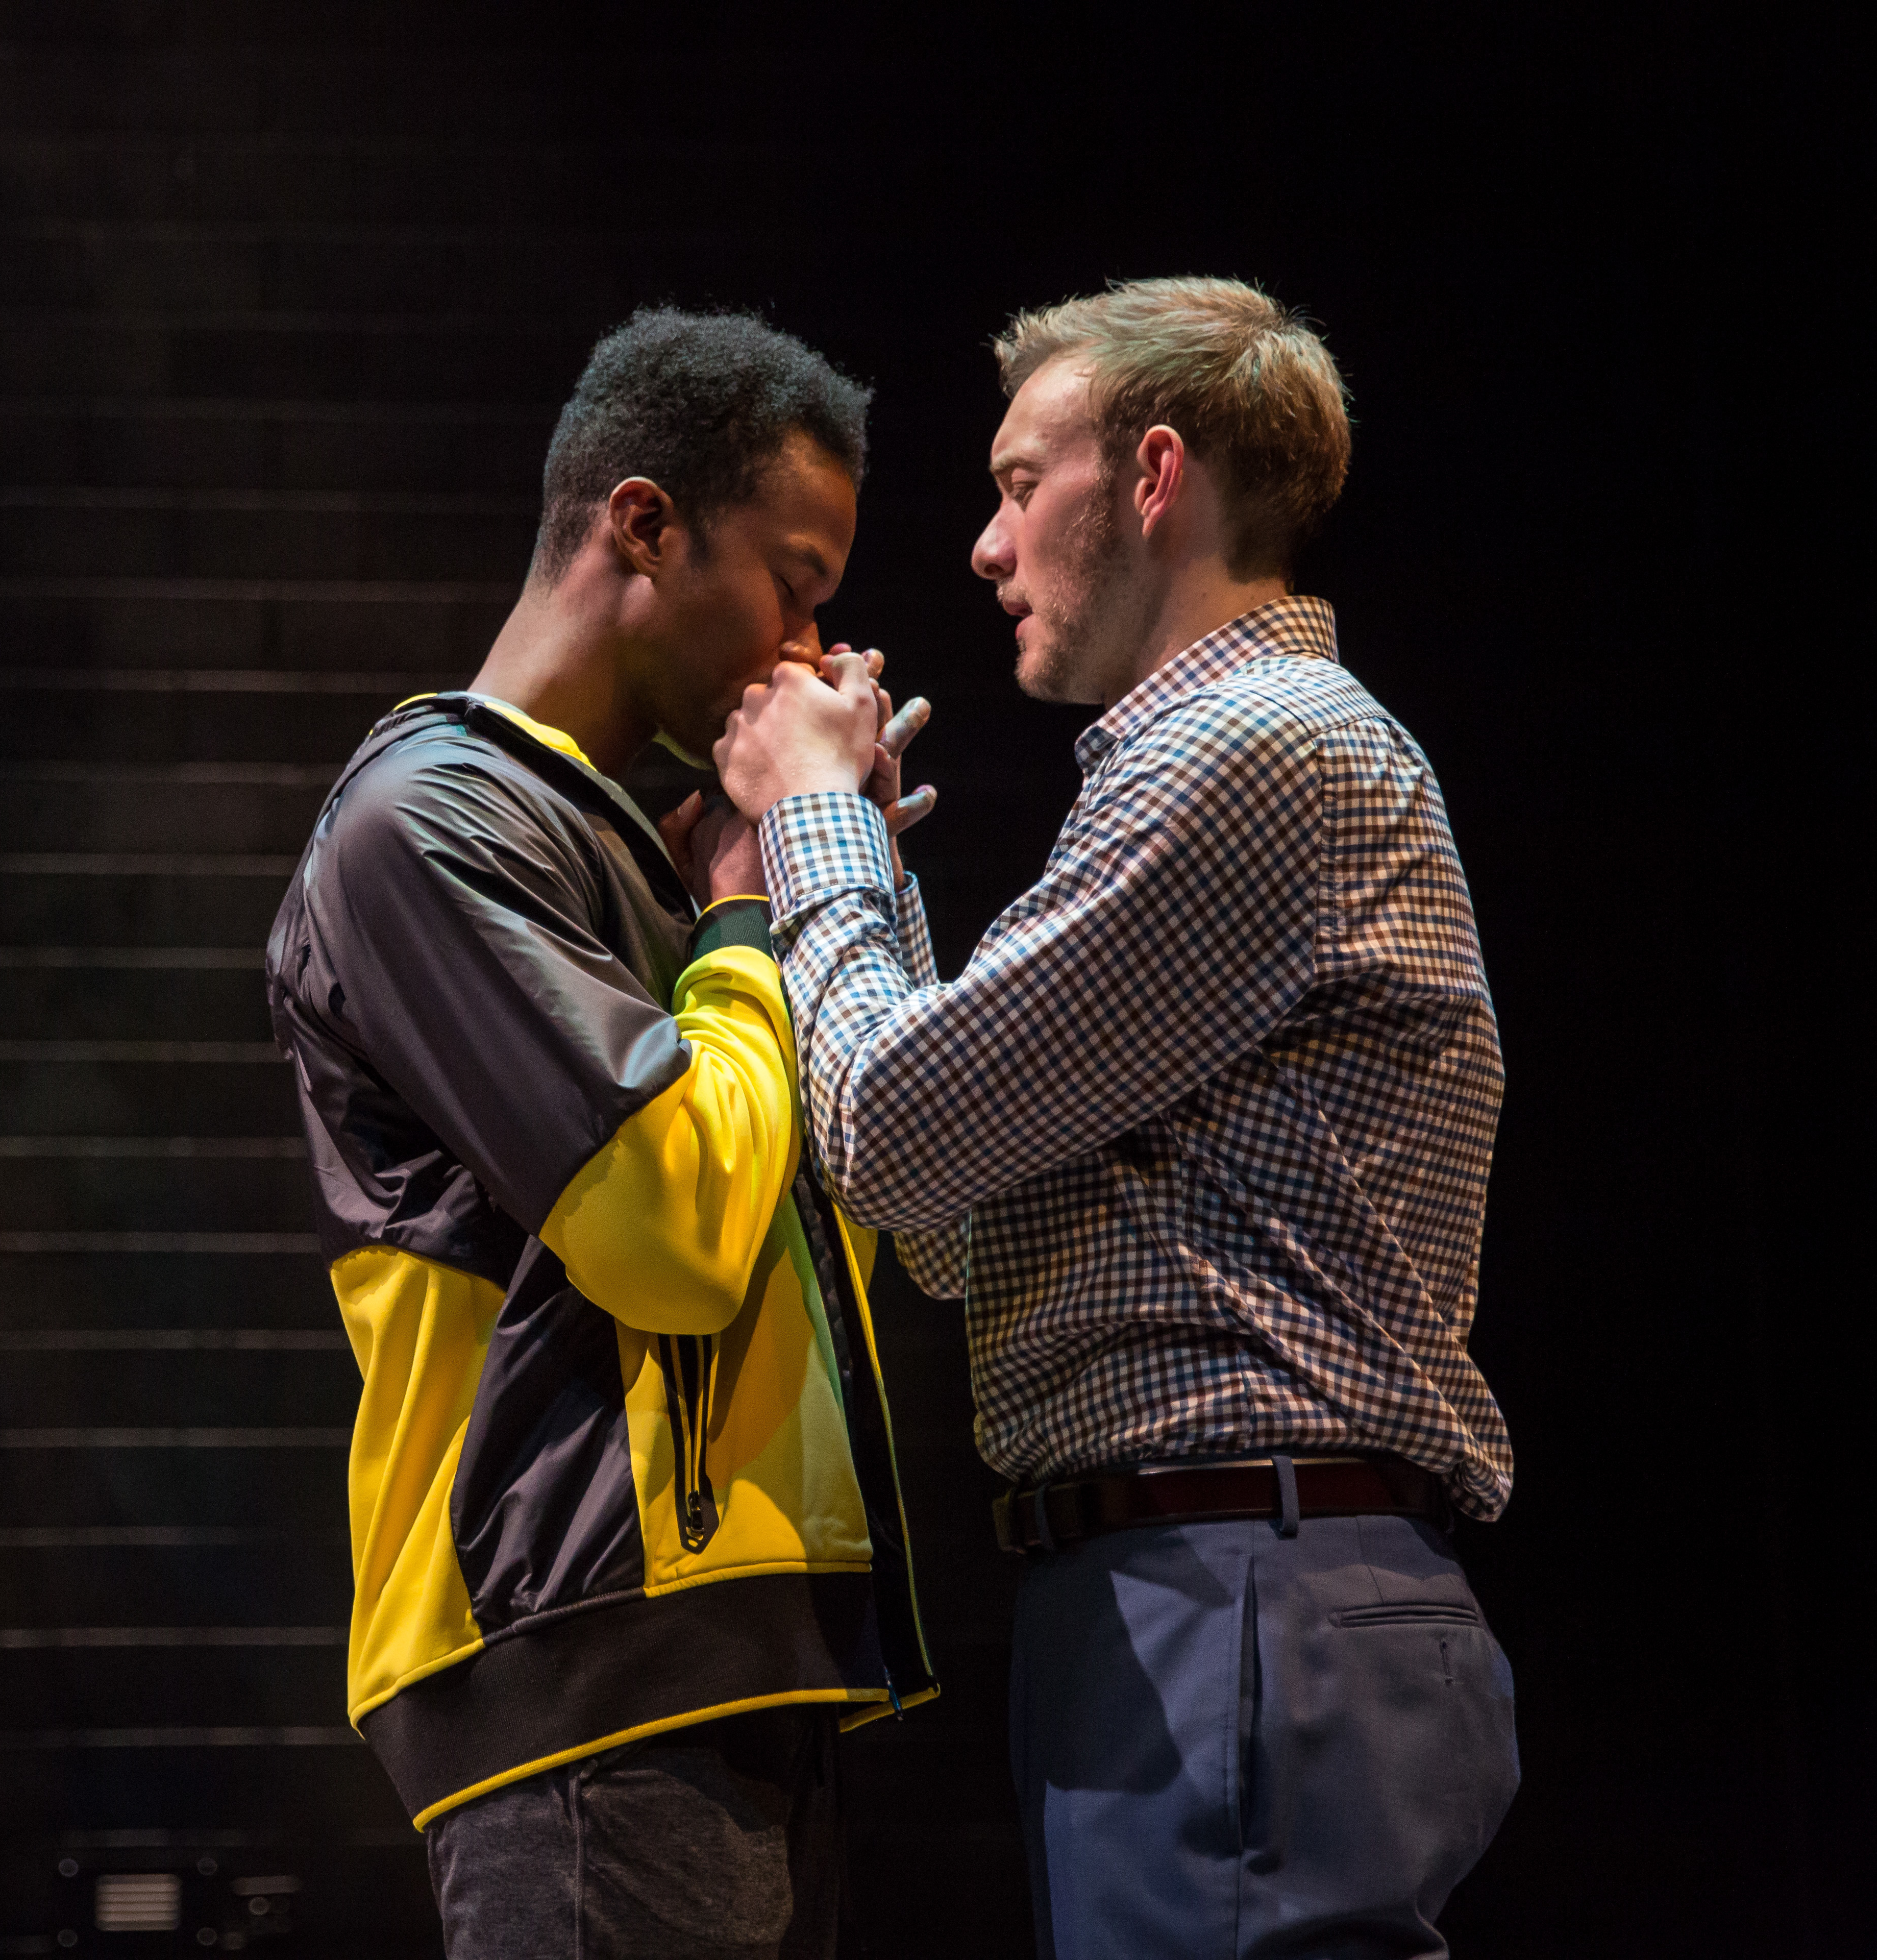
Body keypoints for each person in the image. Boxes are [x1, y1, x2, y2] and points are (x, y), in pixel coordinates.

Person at [708, 277, 1520, 1957]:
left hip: (1242, 1585)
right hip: (1202, 1591)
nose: (989, 550)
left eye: (1020, 485)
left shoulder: (1250, 748)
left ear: (1154, 478)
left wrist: (806, 834)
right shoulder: (1195, 772)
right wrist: (865, 862)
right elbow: (946, 1225)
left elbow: (895, 1140)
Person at [265, 308, 938, 1959]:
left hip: (721, 1662)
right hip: (577, 1664)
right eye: (793, 580)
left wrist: (836, 891)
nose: (807, 647)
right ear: (642, 525)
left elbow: (845, 1215)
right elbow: (673, 1230)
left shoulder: (634, 845)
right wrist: (742, 910)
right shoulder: (428, 818)